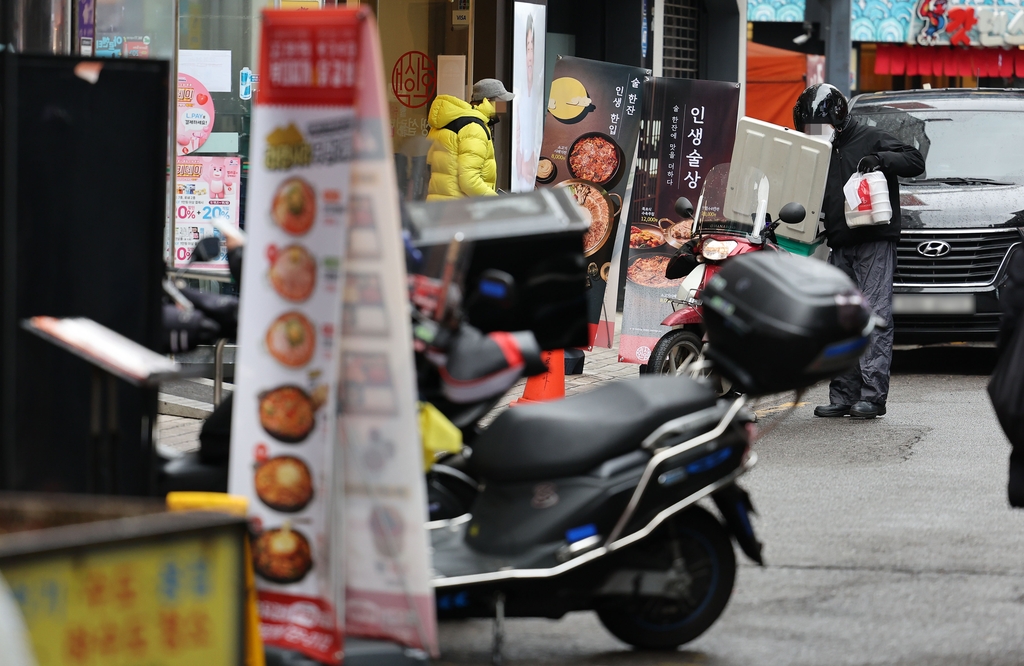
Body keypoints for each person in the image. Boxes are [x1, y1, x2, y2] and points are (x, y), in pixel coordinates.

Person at [793, 83, 925, 420]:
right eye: (810, 128)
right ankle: (843, 395)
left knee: (875, 316)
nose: (817, 133)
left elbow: (914, 160)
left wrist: (880, 160)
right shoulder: (818, 151)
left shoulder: (870, 137)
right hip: (839, 244)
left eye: (820, 126)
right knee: (841, 321)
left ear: (838, 117)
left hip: (874, 241)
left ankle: (872, 396)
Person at [425, 78, 513, 201]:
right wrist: (497, 201)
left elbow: (428, 167)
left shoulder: (448, 122)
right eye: (501, 103)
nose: (503, 109)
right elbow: (470, 181)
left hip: (438, 207)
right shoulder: (473, 128)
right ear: (487, 101)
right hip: (460, 210)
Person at [513, 13, 542, 191]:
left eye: (532, 48)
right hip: (521, 171)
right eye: (527, 48)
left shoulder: (540, 88)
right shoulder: (518, 92)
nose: (529, 56)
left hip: (535, 169)